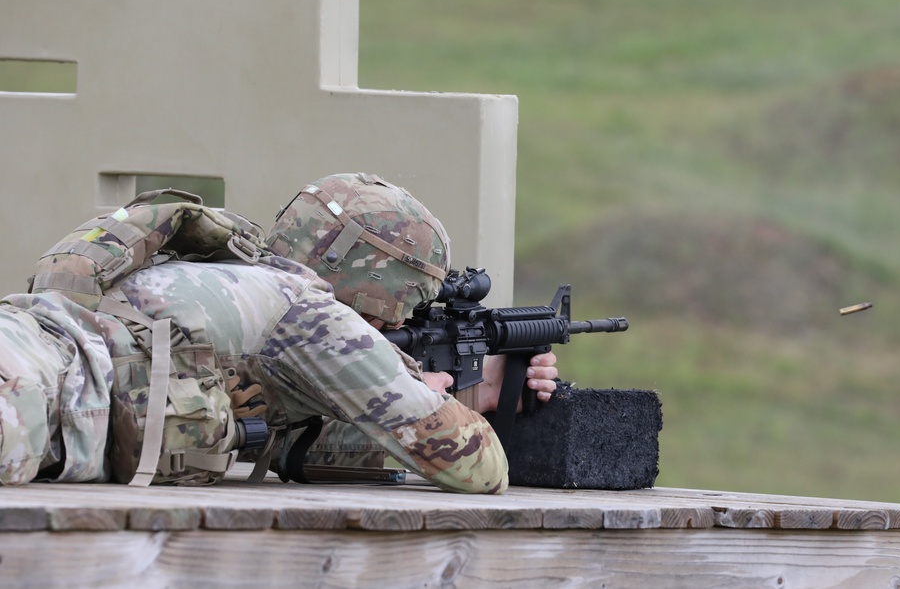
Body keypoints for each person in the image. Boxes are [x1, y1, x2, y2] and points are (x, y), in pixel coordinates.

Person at [0, 173, 558, 494]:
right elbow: (475, 469)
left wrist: (467, 390)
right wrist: (462, 399)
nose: (394, 327)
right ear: (377, 281)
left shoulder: (225, 274)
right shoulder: (308, 310)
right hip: (33, 396)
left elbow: (290, 444)